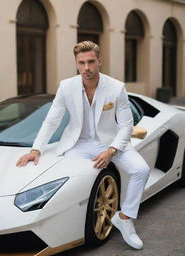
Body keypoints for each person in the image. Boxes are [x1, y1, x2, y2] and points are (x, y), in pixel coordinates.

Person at [16, 41, 150, 250]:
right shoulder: (66, 87)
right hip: (78, 145)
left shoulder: (116, 88)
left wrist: (112, 150)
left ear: (99, 61)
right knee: (68, 182)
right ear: (77, 64)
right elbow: (52, 121)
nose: (87, 68)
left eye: (91, 62)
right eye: (82, 63)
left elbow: (126, 126)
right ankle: (62, 228)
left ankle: (125, 218)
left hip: (111, 143)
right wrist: (36, 149)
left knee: (141, 170)